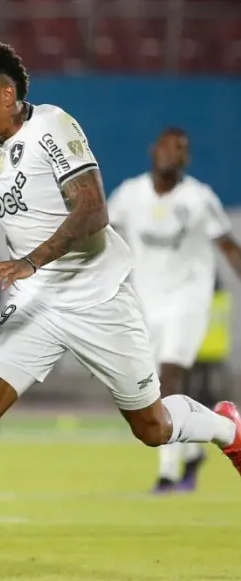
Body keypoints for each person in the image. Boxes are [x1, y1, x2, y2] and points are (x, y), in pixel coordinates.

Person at [0, 37, 241, 581]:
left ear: (6, 93)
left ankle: (226, 429)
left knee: (153, 427)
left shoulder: (53, 128)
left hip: (99, 298)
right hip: (38, 301)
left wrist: (30, 259)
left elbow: (92, 211)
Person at [108, 127, 241, 494]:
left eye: (182, 149)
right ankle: (197, 445)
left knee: (170, 375)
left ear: (187, 158)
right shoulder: (129, 195)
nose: (173, 154)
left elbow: (228, 246)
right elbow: (104, 237)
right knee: (146, 389)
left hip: (188, 302)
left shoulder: (199, 198)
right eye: (168, 147)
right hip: (144, 305)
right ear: (154, 151)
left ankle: (168, 471)